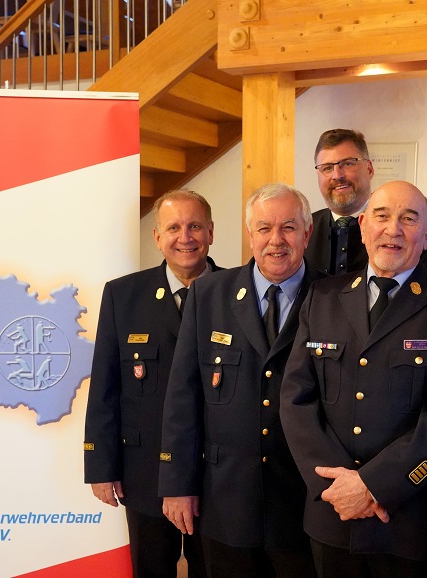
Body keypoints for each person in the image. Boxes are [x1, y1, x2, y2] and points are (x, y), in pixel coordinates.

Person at [281, 180, 427, 578]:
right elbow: (295, 400)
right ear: (362, 226)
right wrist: (338, 487)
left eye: (409, 219)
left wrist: (372, 486)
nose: (393, 230)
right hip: (333, 516)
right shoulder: (322, 297)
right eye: (382, 216)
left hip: (409, 522)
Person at [159, 183, 320, 578]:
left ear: (307, 232)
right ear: (250, 234)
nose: (276, 240)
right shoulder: (208, 294)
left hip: (304, 502)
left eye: (288, 227)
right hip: (226, 499)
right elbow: (183, 397)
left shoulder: (333, 296)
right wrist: (177, 484)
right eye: (264, 228)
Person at [84, 190, 215, 578]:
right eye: (173, 228)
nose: (185, 237)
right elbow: (105, 387)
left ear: (211, 232)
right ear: (157, 237)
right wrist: (101, 465)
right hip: (145, 471)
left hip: (216, 473)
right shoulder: (123, 295)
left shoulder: (237, 291)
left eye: (195, 226)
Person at [305, 128, 427, 275]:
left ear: (369, 169)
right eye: (327, 168)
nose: (337, 175)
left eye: (348, 164)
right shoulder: (304, 228)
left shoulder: (412, 226)